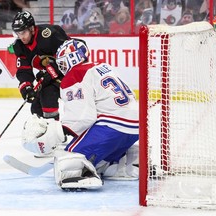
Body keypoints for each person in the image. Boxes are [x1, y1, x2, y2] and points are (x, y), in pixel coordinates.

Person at [21, 39, 139, 190]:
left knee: (69, 158)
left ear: (72, 59)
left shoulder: (76, 74)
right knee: (98, 159)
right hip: (136, 127)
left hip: (112, 127)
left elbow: (82, 117)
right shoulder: (102, 67)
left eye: (62, 63)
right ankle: (129, 162)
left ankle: (81, 177)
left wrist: (57, 133)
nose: (61, 67)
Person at [11, 10, 71, 120]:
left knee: (48, 94)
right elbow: (23, 70)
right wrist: (26, 87)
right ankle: (44, 129)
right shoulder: (20, 46)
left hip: (69, 73)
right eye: (18, 33)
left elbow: (70, 54)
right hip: (50, 75)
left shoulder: (50, 34)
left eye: (23, 32)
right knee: (36, 107)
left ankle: (53, 129)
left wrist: (52, 71)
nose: (21, 37)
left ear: (32, 29)